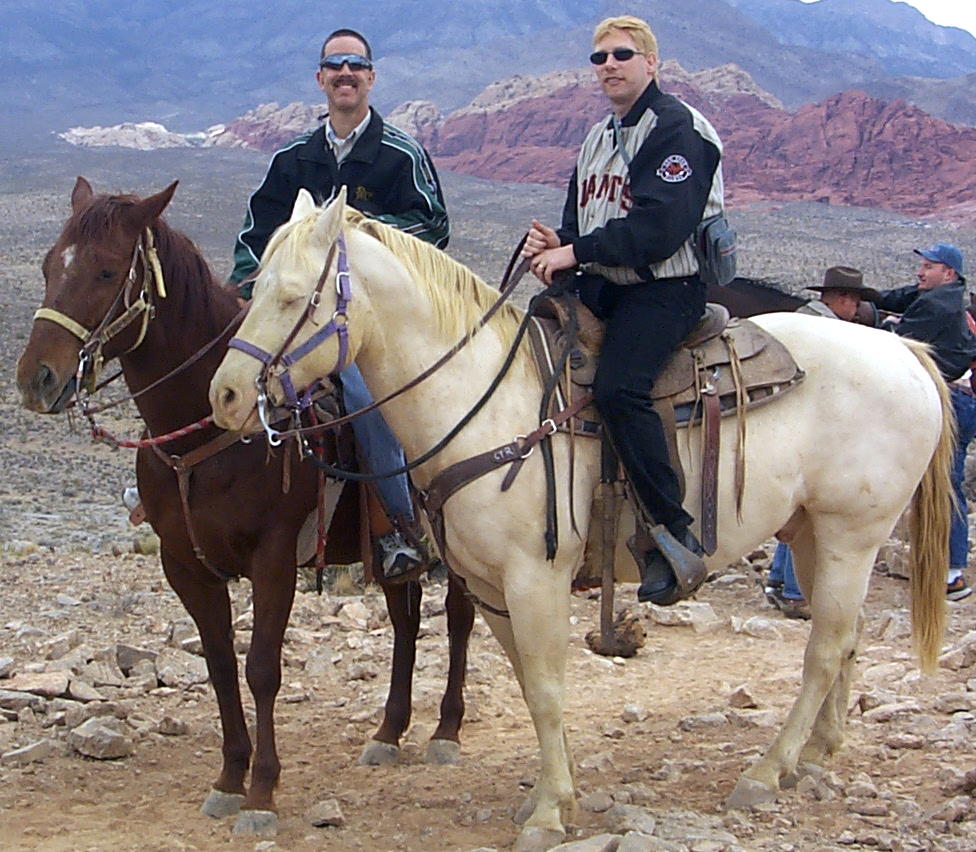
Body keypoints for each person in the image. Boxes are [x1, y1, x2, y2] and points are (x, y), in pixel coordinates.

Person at [230, 27, 450, 579]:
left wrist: (359, 233)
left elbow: (434, 228)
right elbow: (256, 233)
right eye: (335, 65)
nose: (345, 73)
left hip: (367, 320)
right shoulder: (293, 159)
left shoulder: (400, 155)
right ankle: (171, 486)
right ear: (320, 79)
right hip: (296, 310)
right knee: (232, 356)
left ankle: (399, 529)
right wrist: (245, 288)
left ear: (370, 78)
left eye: (356, 65)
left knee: (364, 398)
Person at [521, 14, 726, 605]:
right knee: (528, 347)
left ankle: (671, 533)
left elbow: (658, 231)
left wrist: (574, 251)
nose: (609, 64)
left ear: (651, 63)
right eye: (599, 57)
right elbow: (576, 220)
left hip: (665, 288)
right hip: (606, 282)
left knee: (619, 388)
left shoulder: (678, 130)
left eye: (623, 54)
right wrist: (553, 246)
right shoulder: (597, 136)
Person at [766, 266, 879, 619]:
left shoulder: (803, 319)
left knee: (797, 507)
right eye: (855, 302)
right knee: (813, 505)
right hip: (806, 428)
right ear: (844, 299)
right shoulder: (825, 333)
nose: (856, 309)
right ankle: (797, 590)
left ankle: (780, 582)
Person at [874, 243, 976, 601]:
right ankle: (943, 568)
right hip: (956, 401)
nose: (920, 271)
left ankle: (951, 574)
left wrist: (881, 322)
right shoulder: (941, 296)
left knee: (945, 487)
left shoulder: (938, 304)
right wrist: (870, 300)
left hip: (950, 404)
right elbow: (898, 297)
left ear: (948, 273)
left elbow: (897, 342)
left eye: (929, 266)